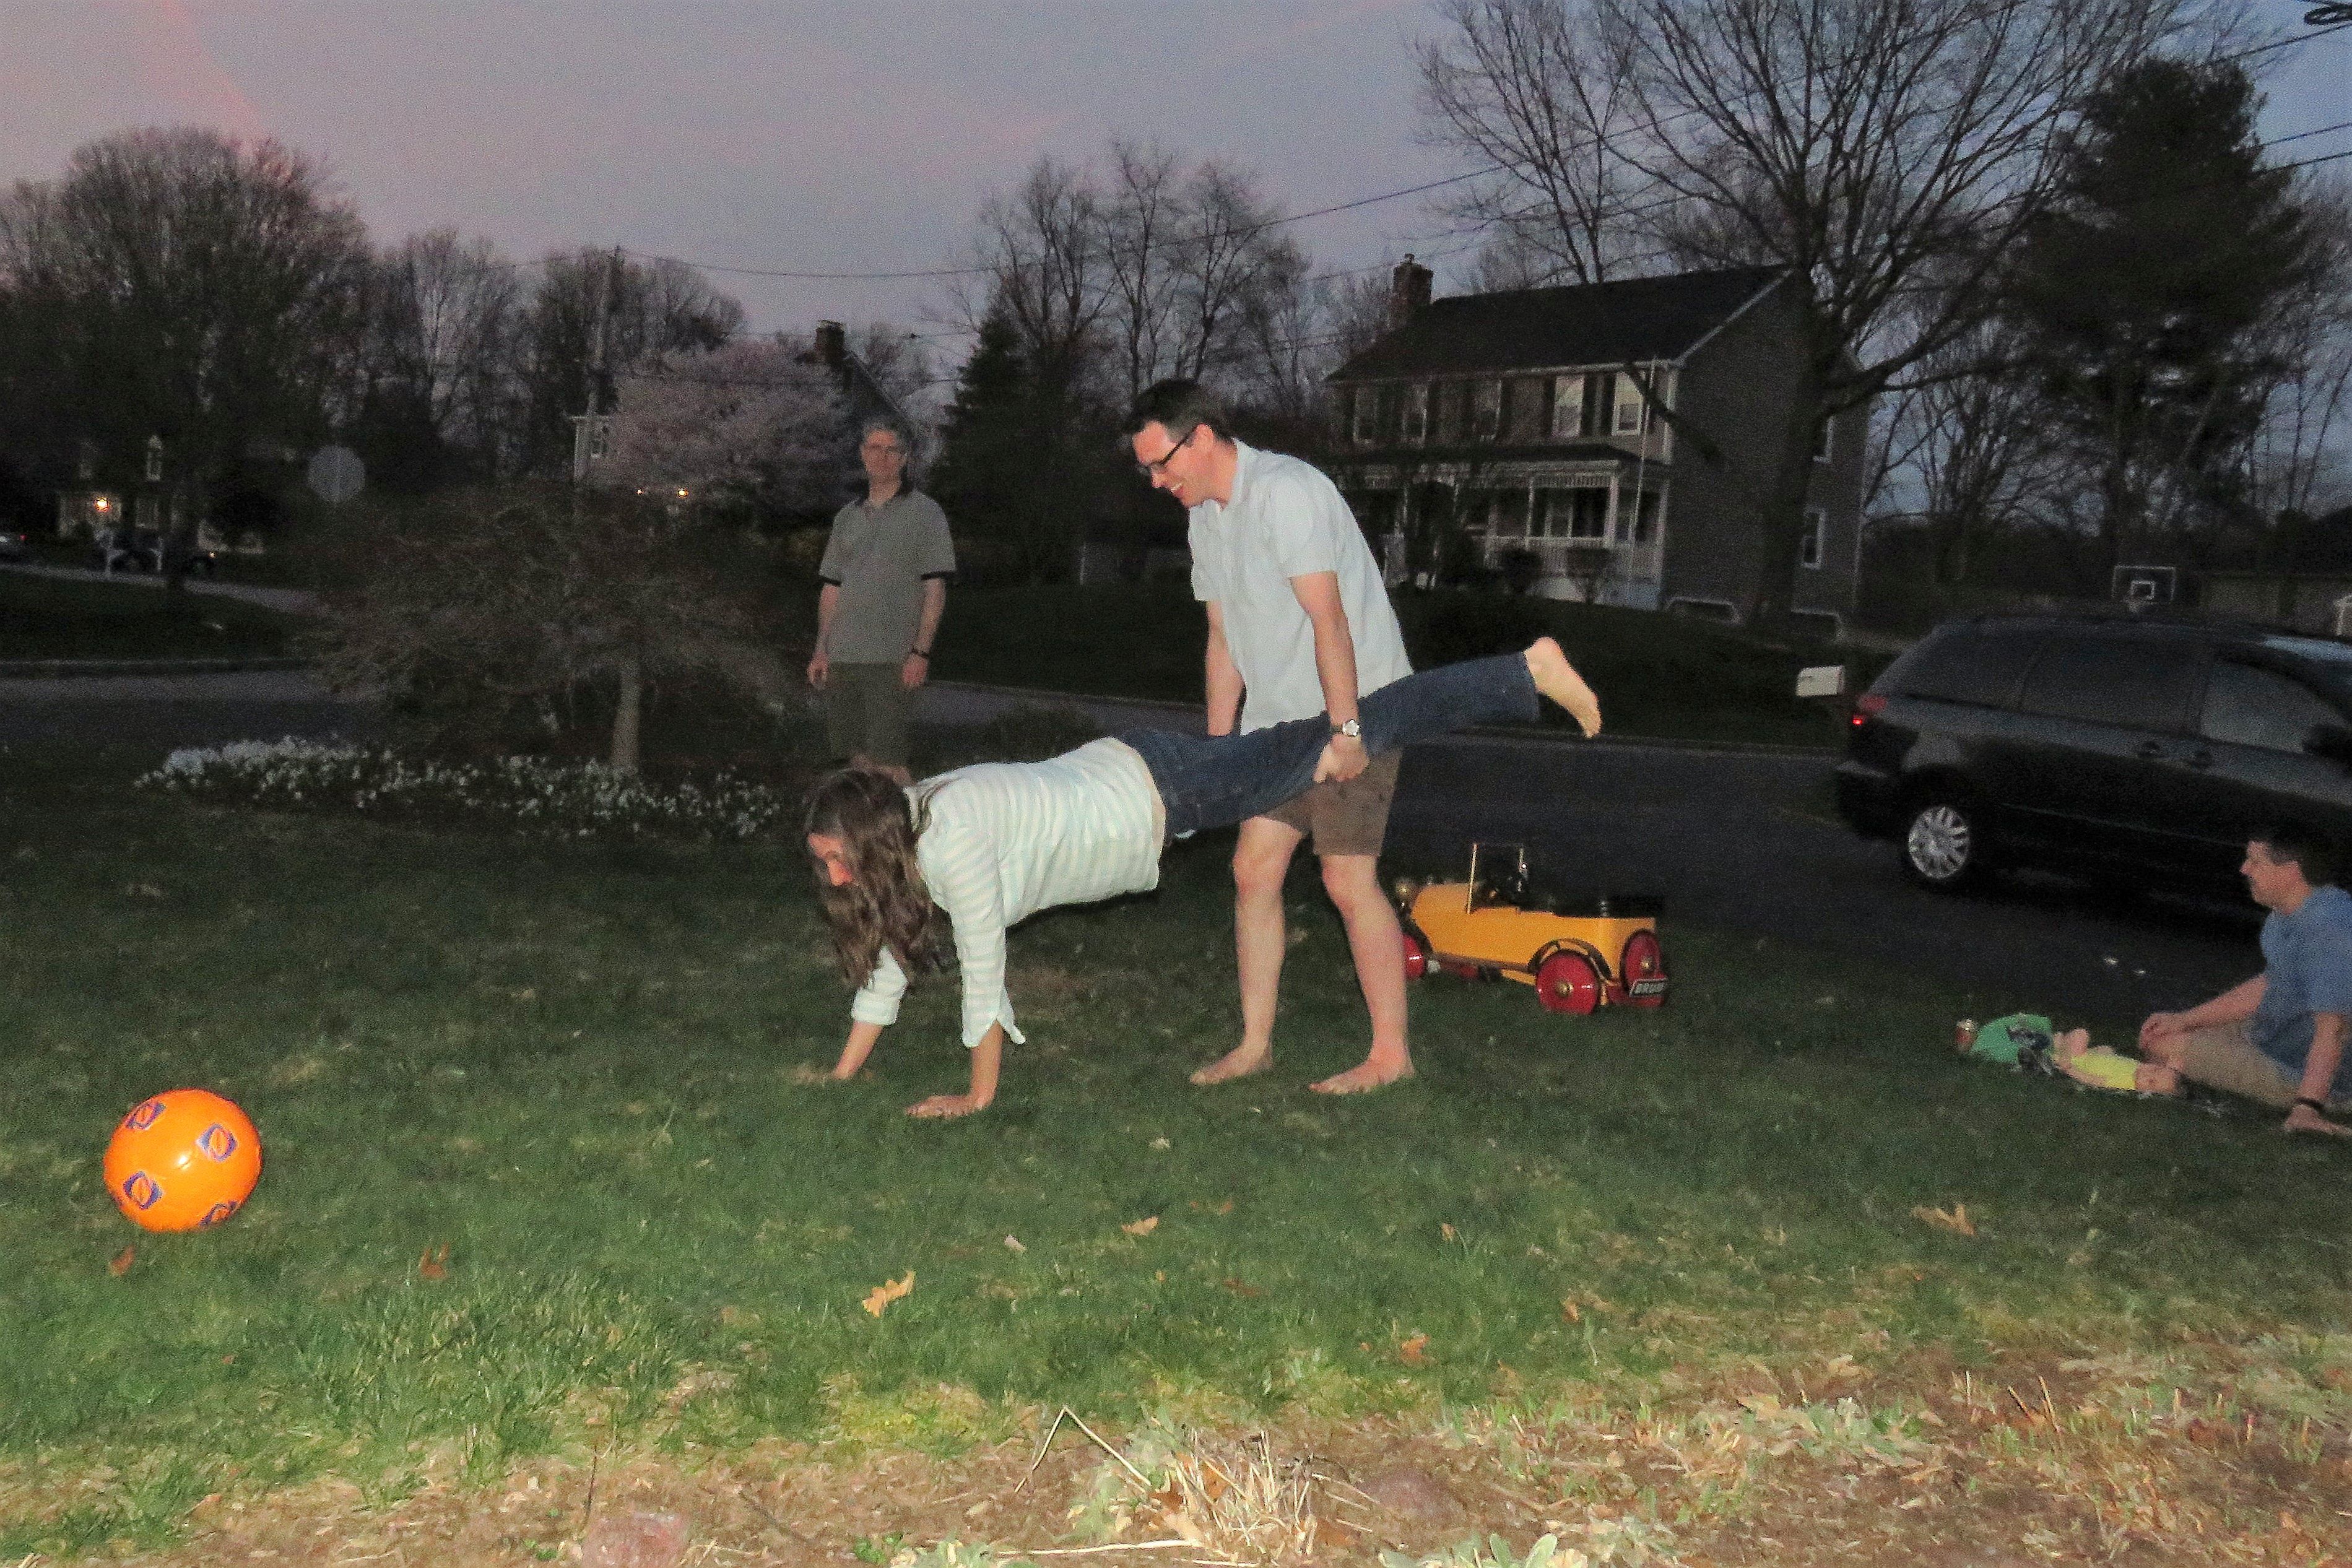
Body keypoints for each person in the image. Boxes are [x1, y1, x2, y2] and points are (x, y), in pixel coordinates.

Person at [804, 639, 1603, 1119]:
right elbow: (890, 956)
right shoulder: (906, 823)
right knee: (1318, 748)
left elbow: (984, 969)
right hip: (1145, 773)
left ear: (873, 837)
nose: (834, 876)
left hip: (1165, 789)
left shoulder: (952, 845)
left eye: (837, 858)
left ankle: (1522, 670)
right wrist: (842, 1074)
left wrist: (978, 1098)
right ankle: (1514, 674)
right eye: (824, 861)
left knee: (1348, 730)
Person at [1125, 379, 1418, 1096]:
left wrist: (1347, 731)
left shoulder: (1287, 492)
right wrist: (1218, 750)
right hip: (1279, 719)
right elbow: (1222, 639)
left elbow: (1329, 620)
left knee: (1346, 878)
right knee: (1253, 870)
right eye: (1146, 470)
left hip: (1362, 702)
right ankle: (1254, 1045)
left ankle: (1391, 1055)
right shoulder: (1205, 518)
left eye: (1162, 463)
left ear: (1201, 438)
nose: (1157, 481)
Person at [2059, 824, 2352, 1136]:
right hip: (2273, 1035)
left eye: (2256, 862)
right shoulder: (2293, 911)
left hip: (2310, 1074)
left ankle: (2321, 1101)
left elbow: (2334, 1028)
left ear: (2291, 871)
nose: (2244, 869)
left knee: (2165, 1048)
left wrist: (2307, 1108)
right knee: (2162, 1033)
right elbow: (2270, 984)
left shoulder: (2330, 930)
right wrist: (2185, 1020)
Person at [807, 418, 954, 784]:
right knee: (855, 762)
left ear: (904, 458)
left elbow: (935, 590)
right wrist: (822, 650)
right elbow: (832, 589)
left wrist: (921, 652)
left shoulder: (926, 513)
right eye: (874, 448)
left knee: (889, 763)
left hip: (893, 658)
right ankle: (868, 824)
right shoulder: (846, 517)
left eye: (891, 450)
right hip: (843, 657)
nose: (882, 457)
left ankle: (913, 820)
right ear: (862, 454)